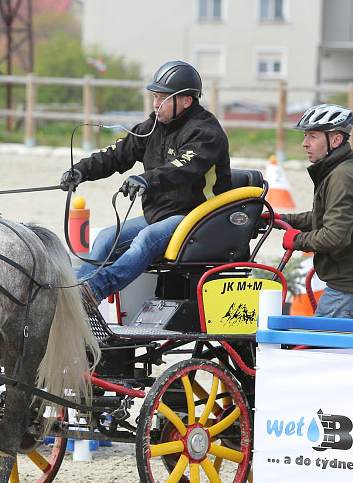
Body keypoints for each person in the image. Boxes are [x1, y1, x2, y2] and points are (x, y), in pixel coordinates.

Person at [60, 60, 232, 303]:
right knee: (106, 238)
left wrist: (146, 179)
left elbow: (183, 168)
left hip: (197, 218)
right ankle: (75, 298)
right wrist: (80, 171)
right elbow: (117, 154)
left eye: (163, 98)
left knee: (146, 239)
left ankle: (94, 290)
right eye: (154, 97)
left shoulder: (206, 132)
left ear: (186, 101)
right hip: (159, 216)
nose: (156, 104)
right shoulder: (153, 127)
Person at [275, 104, 353, 319]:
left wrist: (297, 240)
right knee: (326, 337)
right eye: (305, 136)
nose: (304, 143)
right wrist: (282, 219)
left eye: (312, 136)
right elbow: (326, 217)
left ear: (336, 140)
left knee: (318, 339)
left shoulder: (342, 177)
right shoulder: (341, 169)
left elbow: (335, 236)